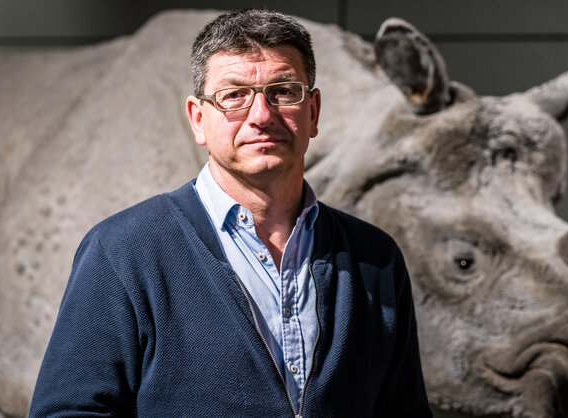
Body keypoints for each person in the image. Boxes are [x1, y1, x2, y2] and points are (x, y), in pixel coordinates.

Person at [30, 8, 431, 417]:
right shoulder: (122, 251)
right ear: (198, 119)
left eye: (283, 91)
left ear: (313, 112)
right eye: (234, 95)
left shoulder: (374, 258)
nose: (262, 115)